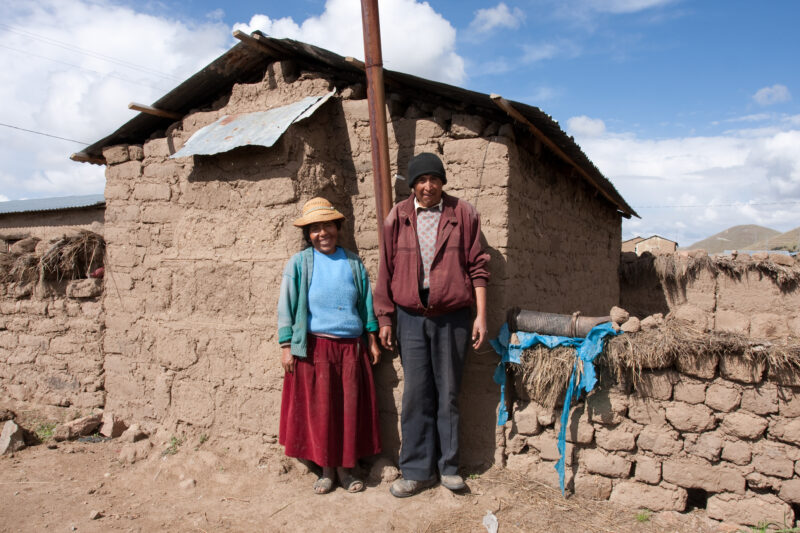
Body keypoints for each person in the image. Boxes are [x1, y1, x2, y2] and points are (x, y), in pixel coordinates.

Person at [374, 152, 490, 498]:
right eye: (422, 181)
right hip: (410, 318)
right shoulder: (399, 216)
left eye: (434, 179)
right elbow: (386, 269)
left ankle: (449, 468)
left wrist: (481, 316)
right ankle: (415, 470)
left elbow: (478, 267)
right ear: (413, 185)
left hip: (453, 318)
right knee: (415, 395)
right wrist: (385, 317)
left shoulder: (462, 213)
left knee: (449, 393)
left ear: (443, 182)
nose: (428, 186)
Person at [277, 197, 382, 494]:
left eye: (328, 226)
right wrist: (286, 345)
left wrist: (371, 338)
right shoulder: (299, 264)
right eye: (315, 228)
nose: (323, 233)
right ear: (308, 234)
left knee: (347, 411)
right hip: (315, 350)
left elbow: (365, 304)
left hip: (350, 348)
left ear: (338, 228)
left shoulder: (352, 262)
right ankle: (325, 470)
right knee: (322, 413)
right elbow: (286, 305)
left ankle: (345, 470)